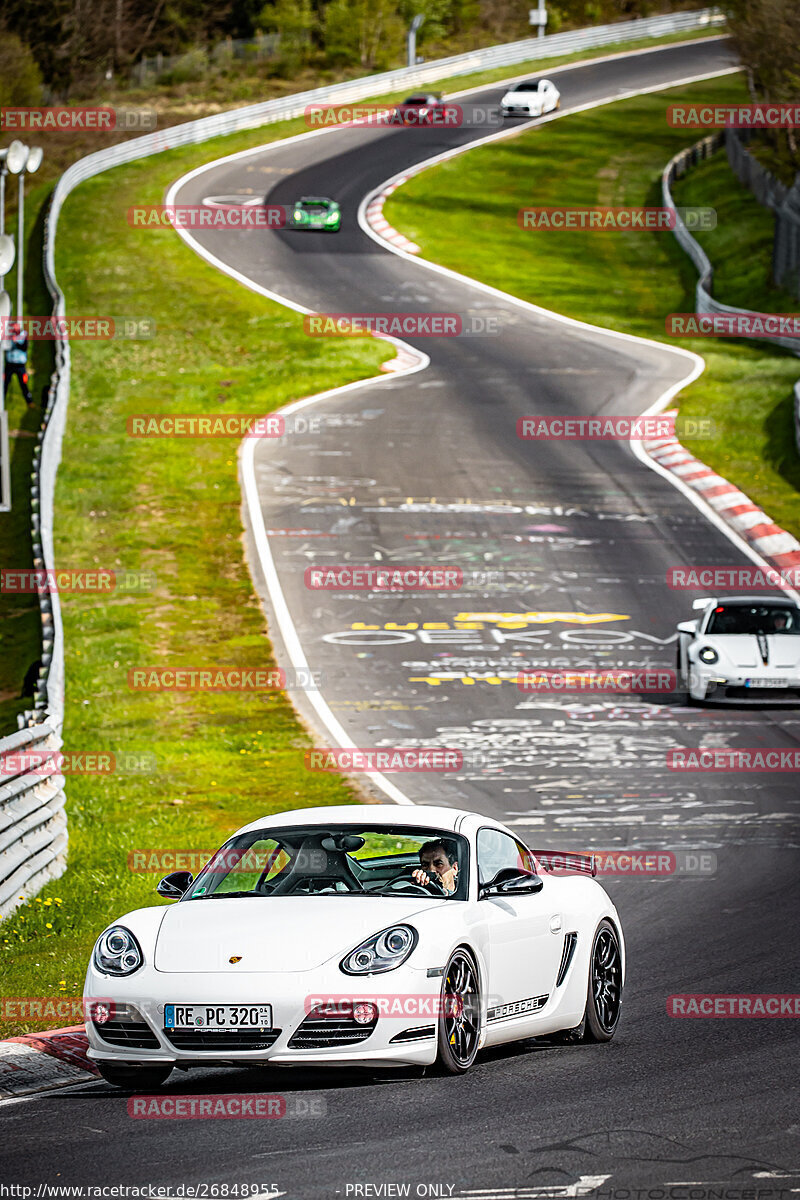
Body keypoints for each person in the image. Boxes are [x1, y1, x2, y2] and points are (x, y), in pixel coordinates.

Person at [4, 322, 34, 407]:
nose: (14, 329)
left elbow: (24, 348)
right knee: (4, 384)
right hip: (9, 364)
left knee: (23, 383)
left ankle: (29, 402)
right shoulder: (8, 336)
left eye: (16, 327)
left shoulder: (23, 335)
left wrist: (16, 342)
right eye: (13, 327)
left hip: (20, 365)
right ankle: (2, 401)